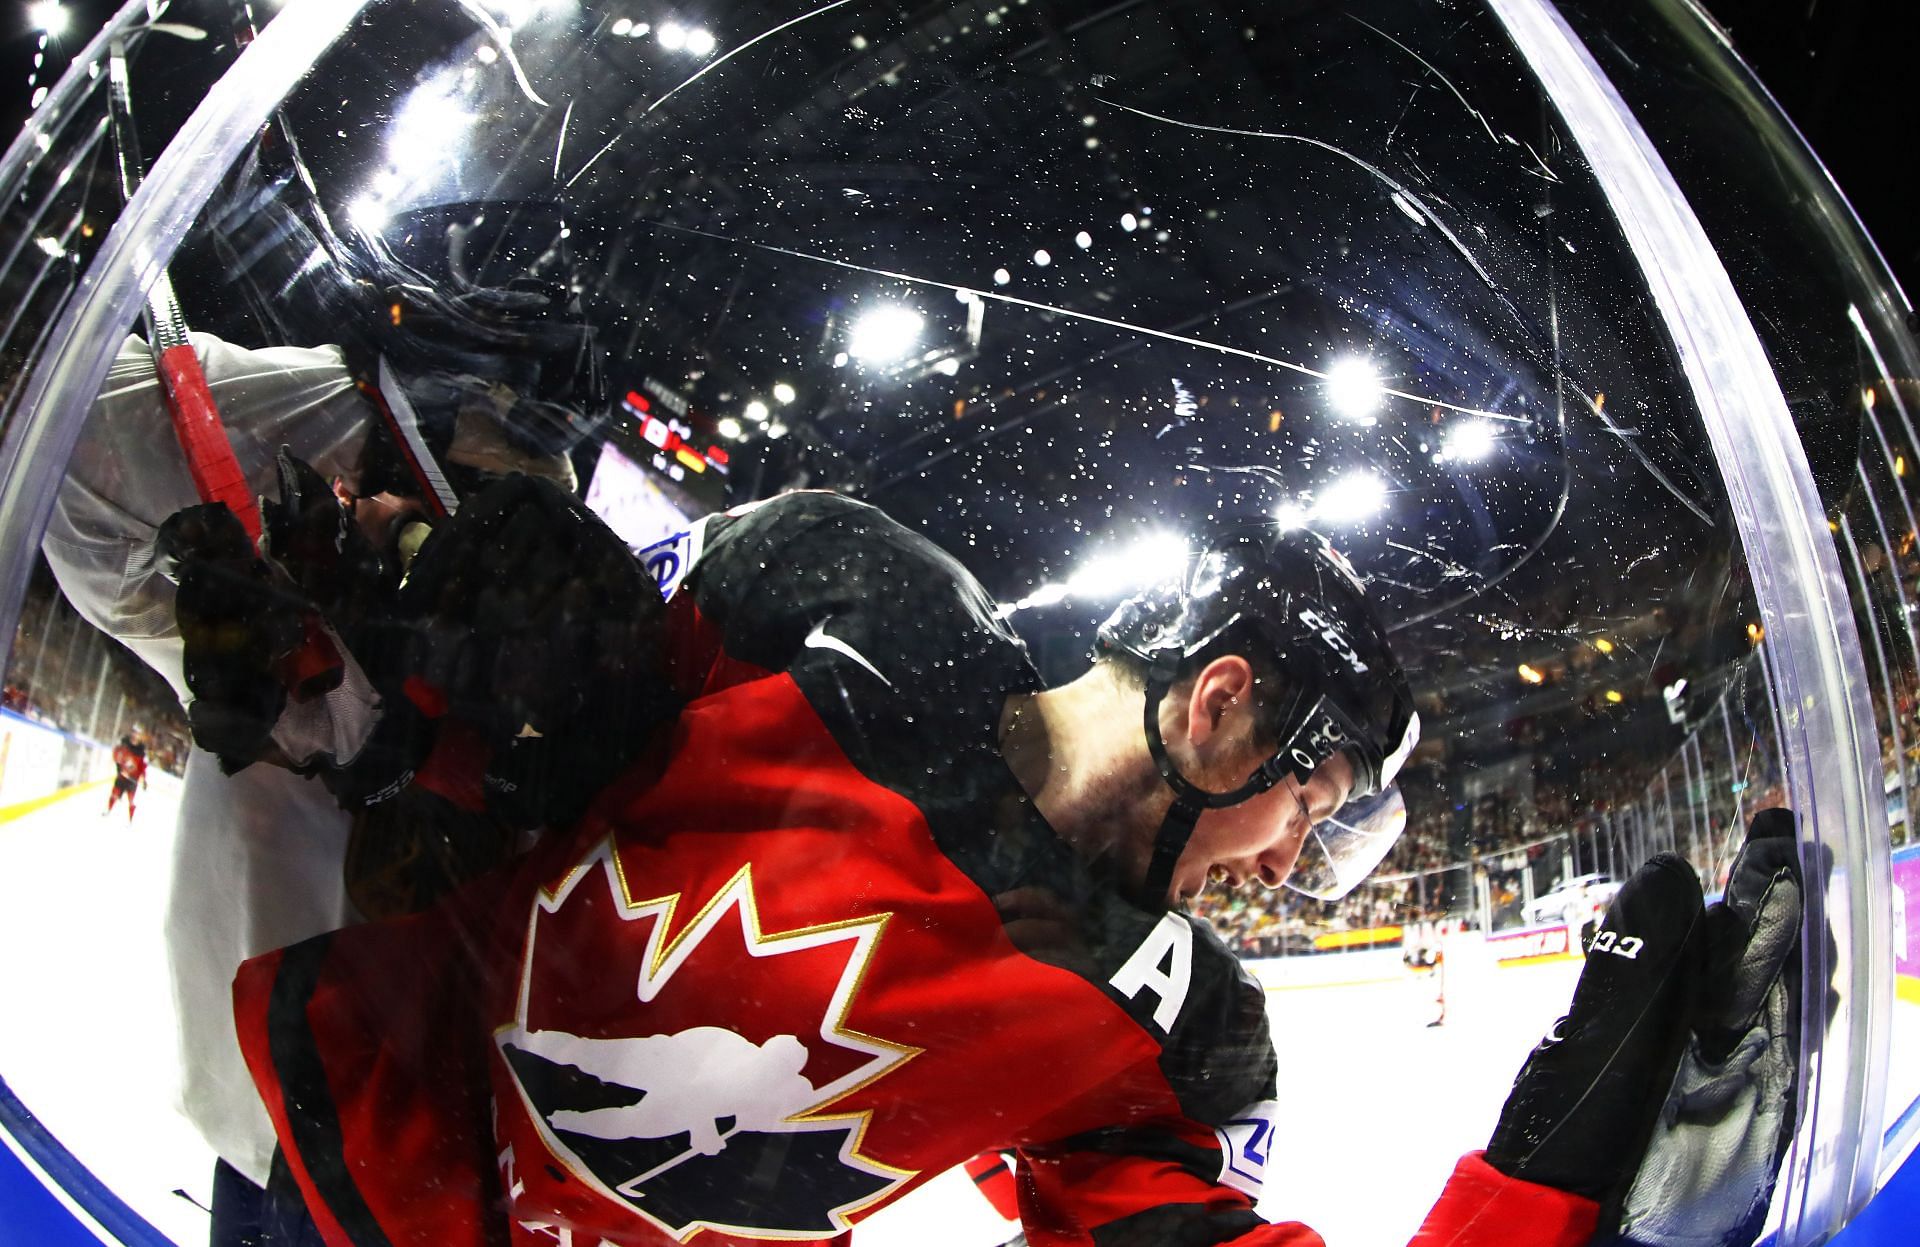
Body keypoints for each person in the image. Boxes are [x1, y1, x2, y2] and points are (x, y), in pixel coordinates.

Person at [104, 724, 149, 821]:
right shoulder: (124, 742)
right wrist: (118, 766)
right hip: (121, 776)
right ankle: (108, 810)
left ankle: (130, 820)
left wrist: (144, 780)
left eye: (137, 733)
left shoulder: (141, 750)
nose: (135, 735)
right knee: (114, 793)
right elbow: (116, 754)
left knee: (131, 801)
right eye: (134, 732)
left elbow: (143, 767)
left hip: (133, 780)